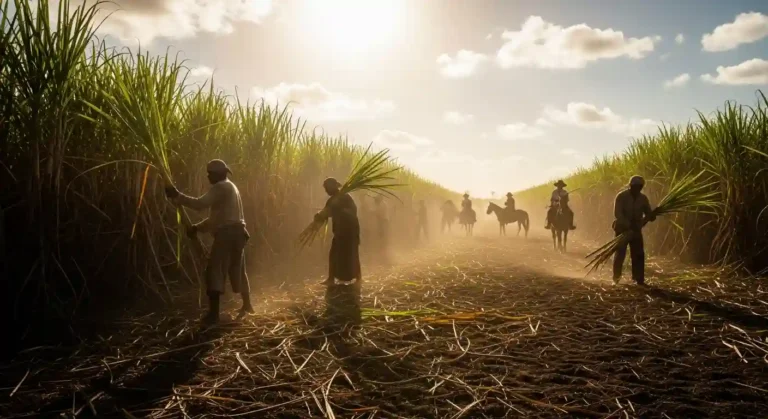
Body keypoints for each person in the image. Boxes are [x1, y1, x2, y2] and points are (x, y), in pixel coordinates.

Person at [165, 159, 253, 325]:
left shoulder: (221, 187)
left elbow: (200, 204)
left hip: (227, 235)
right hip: (239, 233)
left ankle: (213, 315)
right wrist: (196, 228)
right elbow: (216, 218)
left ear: (216, 174)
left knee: (214, 270)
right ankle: (247, 305)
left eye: (209, 174)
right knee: (238, 268)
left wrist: (178, 196)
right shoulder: (230, 187)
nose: (207, 176)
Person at [314, 178, 362, 326]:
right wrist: (318, 216)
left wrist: (337, 211)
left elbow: (352, 212)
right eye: (325, 188)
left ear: (334, 186)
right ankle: (331, 278)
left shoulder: (345, 197)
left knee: (352, 254)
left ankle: (359, 278)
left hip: (350, 230)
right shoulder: (333, 200)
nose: (326, 190)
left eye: (327, 187)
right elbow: (326, 213)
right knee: (333, 253)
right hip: (340, 232)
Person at [612, 175, 656, 285]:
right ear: (631, 186)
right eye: (635, 186)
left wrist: (651, 216)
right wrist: (628, 224)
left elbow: (648, 212)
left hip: (636, 231)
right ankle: (616, 278)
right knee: (620, 254)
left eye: (639, 187)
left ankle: (638, 279)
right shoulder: (621, 196)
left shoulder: (643, 198)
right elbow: (618, 214)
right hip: (622, 229)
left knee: (638, 254)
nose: (637, 188)